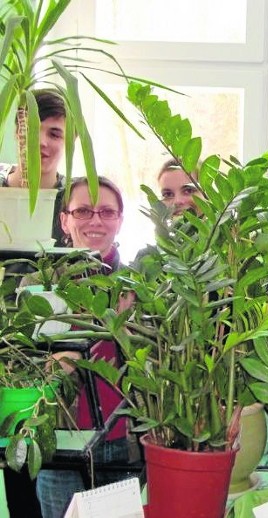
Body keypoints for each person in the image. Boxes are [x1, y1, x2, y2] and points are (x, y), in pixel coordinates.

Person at [36, 176, 136, 518]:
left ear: (120, 220)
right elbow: (29, 373)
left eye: (107, 211)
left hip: (125, 445)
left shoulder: (142, 286)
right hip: (60, 448)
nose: (95, 220)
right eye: (83, 211)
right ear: (65, 220)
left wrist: (128, 324)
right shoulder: (37, 285)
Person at [0, 89, 68, 245]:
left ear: (70, 140)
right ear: (17, 133)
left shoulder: (74, 202)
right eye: (31, 130)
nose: (41, 142)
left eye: (54, 134)